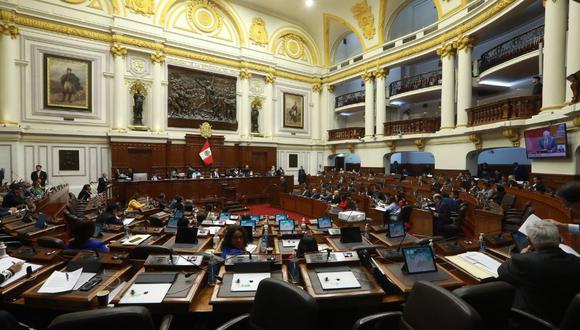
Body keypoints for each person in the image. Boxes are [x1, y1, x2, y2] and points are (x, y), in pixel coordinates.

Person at [497, 221, 580, 324]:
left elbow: (502, 271)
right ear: (560, 239)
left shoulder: (524, 261)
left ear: (530, 242)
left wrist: (522, 255)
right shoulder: (577, 262)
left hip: (533, 321)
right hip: (568, 320)